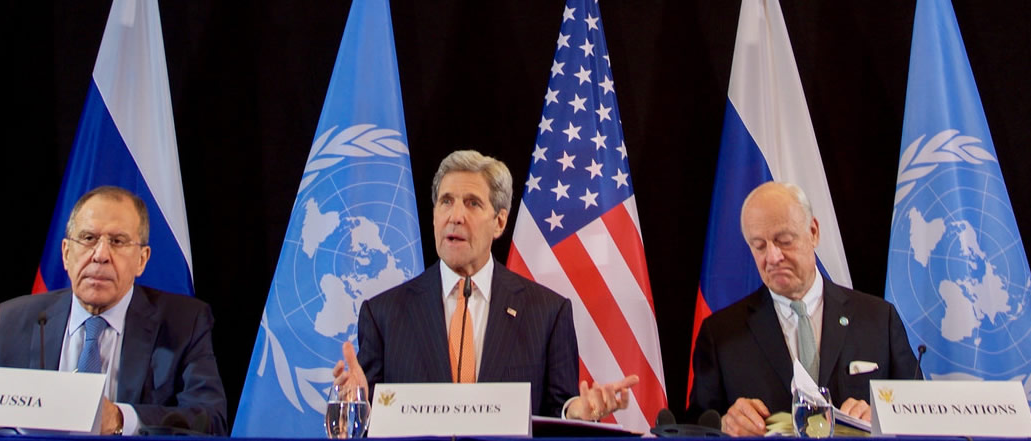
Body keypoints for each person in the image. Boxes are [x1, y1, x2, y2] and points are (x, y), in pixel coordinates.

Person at [332, 150, 638, 420]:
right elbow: (371, 418)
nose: (455, 216)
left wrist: (575, 412)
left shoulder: (547, 312)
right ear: (434, 215)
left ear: (499, 222)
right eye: (446, 201)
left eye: (472, 203)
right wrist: (357, 404)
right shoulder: (384, 314)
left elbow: (557, 411)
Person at [0, 186, 226, 435]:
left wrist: (120, 419)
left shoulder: (183, 324)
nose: (100, 255)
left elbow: (210, 420)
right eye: (88, 238)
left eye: (118, 241)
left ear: (142, 260)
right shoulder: (9, 322)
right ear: (66, 253)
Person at [689, 181, 916, 436]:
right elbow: (697, 425)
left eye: (784, 241)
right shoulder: (721, 334)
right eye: (759, 245)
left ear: (813, 232)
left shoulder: (878, 319)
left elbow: (920, 412)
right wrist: (724, 423)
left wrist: (883, 415)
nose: (773, 257)